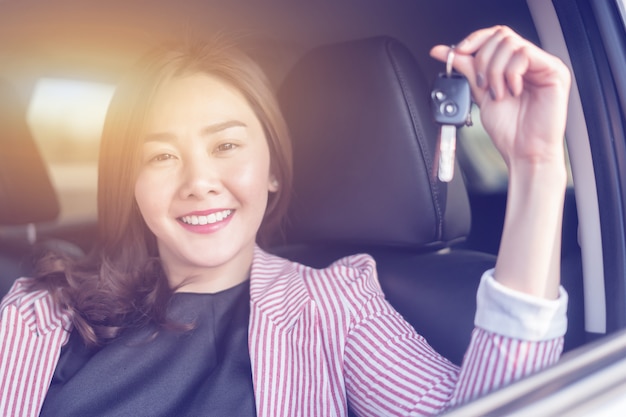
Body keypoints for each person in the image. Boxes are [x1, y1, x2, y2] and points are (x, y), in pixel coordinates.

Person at [0, 25, 570, 417]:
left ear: (272, 169)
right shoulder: (42, 315)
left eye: (226, 145)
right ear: (132, 183)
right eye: (161, 155)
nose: (198, 181)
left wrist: (538, 166)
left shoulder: (335, 306)